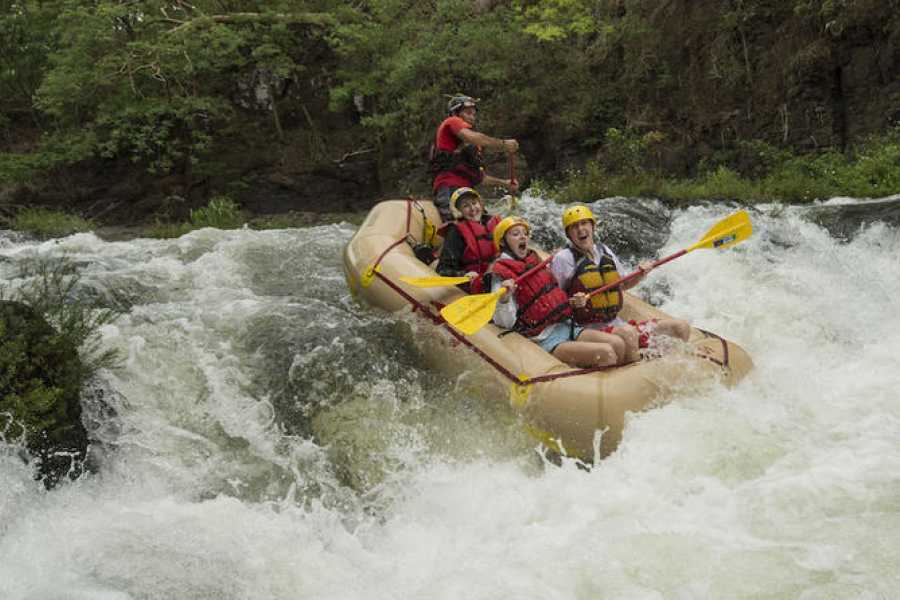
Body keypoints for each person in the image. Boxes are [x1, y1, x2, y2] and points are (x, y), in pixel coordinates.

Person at [550, 205, 690, 362]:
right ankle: (639, 368)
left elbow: (623, 284)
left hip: (617, 325)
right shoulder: (563, 259)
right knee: (628, 333)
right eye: (574, 226)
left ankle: (679, 364)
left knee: (680, 327)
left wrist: (641, 274)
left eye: (584, 223)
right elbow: (553, 302)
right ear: (568, 234)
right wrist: (573, 302)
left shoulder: (604, 251)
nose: (580, 229)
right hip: (588, 331)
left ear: (593, 226)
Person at [488, 216, 626, 368]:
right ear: (503, 242)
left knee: (617, 343)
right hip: (543, 338)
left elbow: (553, 294)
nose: (523, 237)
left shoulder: (534, 261)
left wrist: (575, 300)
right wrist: (504, 299)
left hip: (566, 325)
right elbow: (504, 322)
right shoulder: (501, 275)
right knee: (607, 352)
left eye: (525, 233)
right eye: (515, 234)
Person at [430, 94, 519, 222]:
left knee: (488, 226)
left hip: (468, 193)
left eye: (473, 114)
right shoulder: (452, 121)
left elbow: (480, 177)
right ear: (455, 113)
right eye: (468, 113)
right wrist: (504, 144)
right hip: (449, 188)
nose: (472, 117)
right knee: (457, 227)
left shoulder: (472, 146)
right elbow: (475, 137)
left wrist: (505, 183)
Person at [435, 187, 500, 292]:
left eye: (474, 203)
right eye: (466, 206)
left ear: (480, 204)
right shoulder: (455, 232)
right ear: (458, 211)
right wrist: (464, 275)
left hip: (498, 278)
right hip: (475, 284)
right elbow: (442, 270)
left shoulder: (495, 223)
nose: (472, 208)